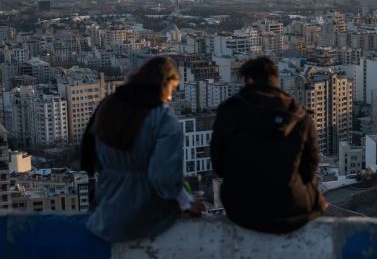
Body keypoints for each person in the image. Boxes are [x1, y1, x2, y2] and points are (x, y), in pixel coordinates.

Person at [82, 56, 202, 242]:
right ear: (164, 84)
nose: (170, 97)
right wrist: (187, 203)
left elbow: (90, 155)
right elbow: (164, 177)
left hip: (105, 209)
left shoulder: (108, 106)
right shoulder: (163, 119)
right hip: (147, 216)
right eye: (171, 89)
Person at [211, 57, 325, 233]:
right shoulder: (299, 113)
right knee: (317, 198)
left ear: (248, 80)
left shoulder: (229, 110)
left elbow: (218, 163)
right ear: (275, 80)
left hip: (241, 209)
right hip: (289, 209)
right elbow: (310, 168)